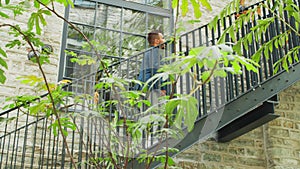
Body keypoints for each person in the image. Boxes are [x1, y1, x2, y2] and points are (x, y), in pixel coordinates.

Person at [135, 30, 167, 96]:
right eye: (163, 38)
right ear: (157, 41)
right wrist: (161, 88)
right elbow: (156, 70)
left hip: (143, 85)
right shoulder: (155, 51)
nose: (164, 40)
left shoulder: (149, 52)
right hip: (149, 86)